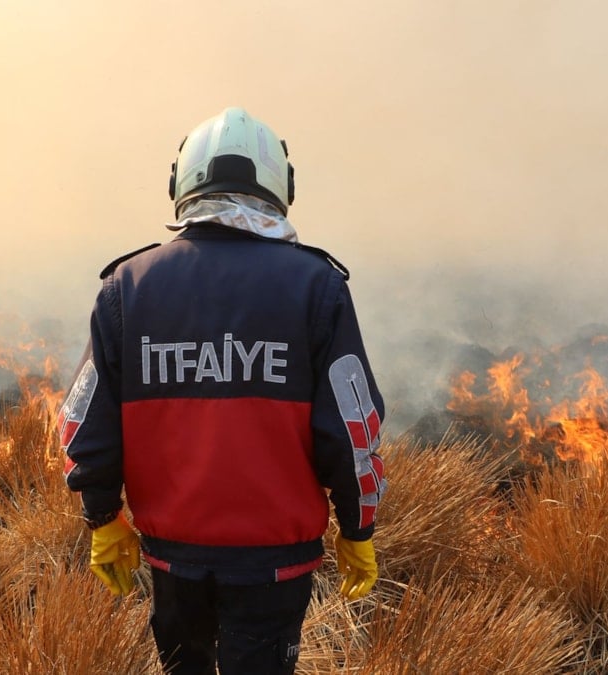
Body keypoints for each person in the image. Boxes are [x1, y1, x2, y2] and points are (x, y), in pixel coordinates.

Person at [60, 106, 387, 674]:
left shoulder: (127, 286)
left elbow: (83, 423)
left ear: (180, 183)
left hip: (173, 562)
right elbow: (352, 429)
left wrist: (102, 517)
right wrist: (358, 529)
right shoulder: (318, 287)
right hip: (274, 567)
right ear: (280, 187)